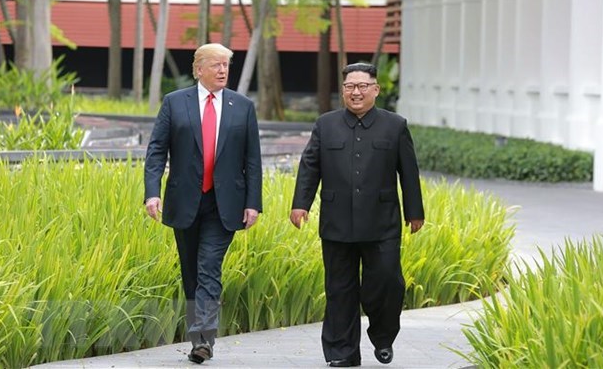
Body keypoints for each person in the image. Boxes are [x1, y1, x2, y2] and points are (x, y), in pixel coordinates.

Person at [290, 62, 425, 367]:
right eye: (350, 86)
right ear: (344, 91)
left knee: (389, 281)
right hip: (337, 222)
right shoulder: (325, 124)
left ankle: (383, 335)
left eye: (363, 86)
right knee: (340, 290)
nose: (356, 92)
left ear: (376, 89)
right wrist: (301, 203)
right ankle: (342, 353)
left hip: (383, 222)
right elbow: (310, 165)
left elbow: (409, 173)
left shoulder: (395, 125)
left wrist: (414, 211)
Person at [144, 43, 262, 364]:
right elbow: (157, 150)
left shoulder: (242, 106)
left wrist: (253, 203)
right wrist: (152, 192)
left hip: (226, 203)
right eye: (216, 65)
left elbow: (253, 159)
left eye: (226, 65)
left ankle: (203, 340)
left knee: (209, 266)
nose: (223, 70)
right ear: (198, 69)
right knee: (191, 271)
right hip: (185, 201)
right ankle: (200, 335)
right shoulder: (174, 103)